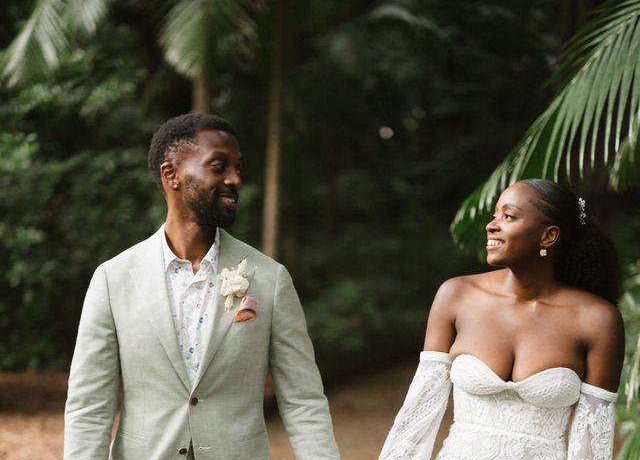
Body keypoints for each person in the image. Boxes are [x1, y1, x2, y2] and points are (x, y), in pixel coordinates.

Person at [64, 113, 340, 460]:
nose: (235, 179)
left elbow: (304, 402)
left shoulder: (270, 279)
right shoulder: (113, 279)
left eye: (237, 168)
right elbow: (89, 408)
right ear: (172, 175)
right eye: (219, 166)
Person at [379, 179, 625, 460]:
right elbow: (418, 418)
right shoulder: (456, 295)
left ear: (549, 236)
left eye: (508, 216)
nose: (491, 225)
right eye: (494, 215)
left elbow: (592, 444)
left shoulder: (597, 320)